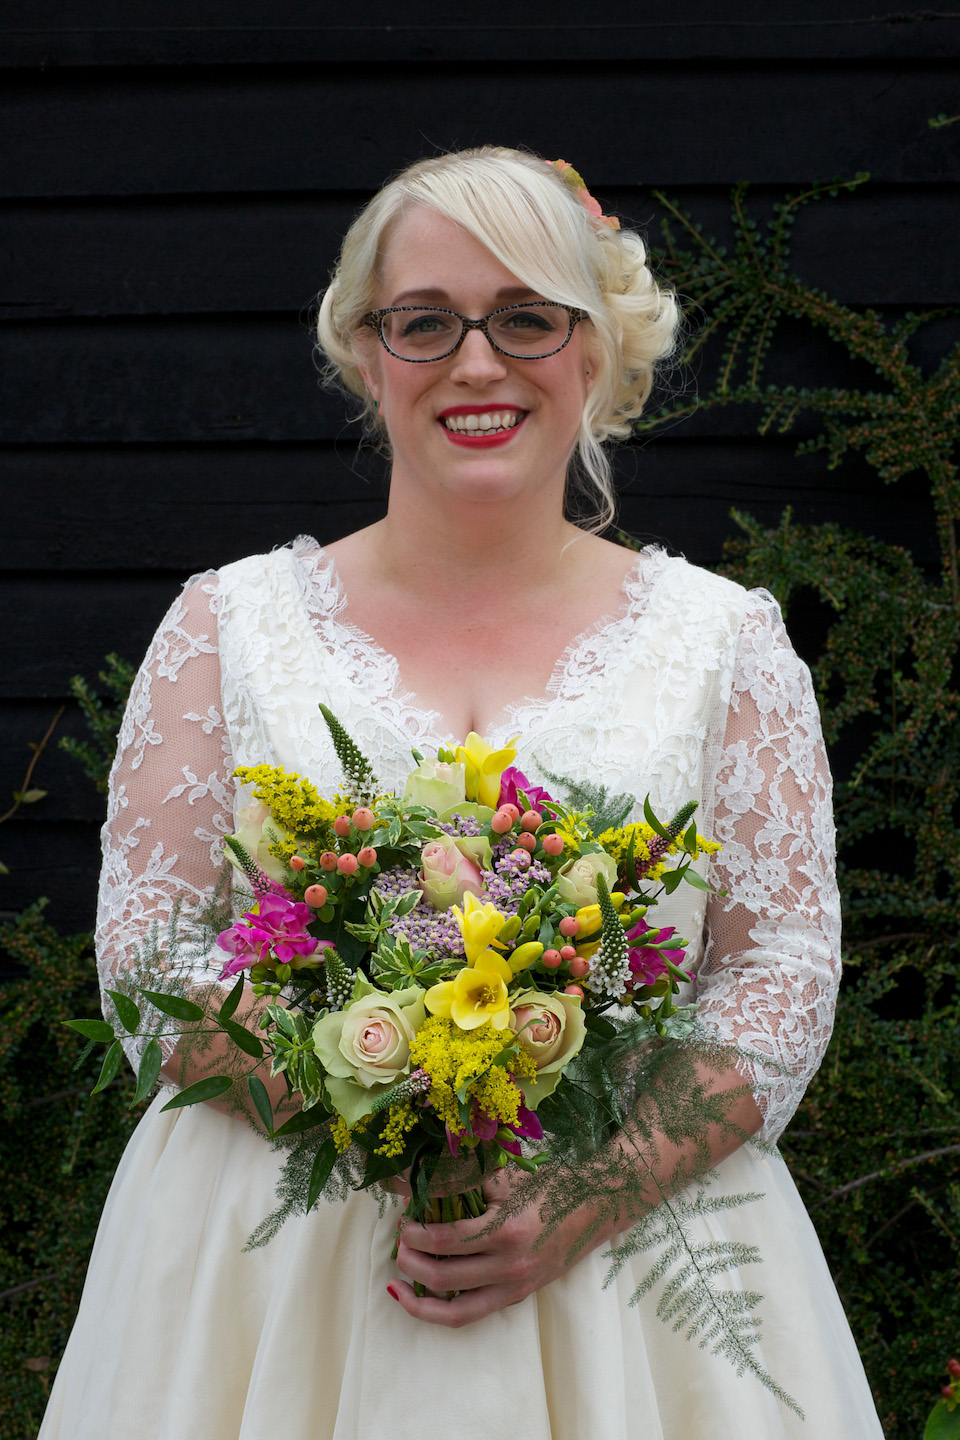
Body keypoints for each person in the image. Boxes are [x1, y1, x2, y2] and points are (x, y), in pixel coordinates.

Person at [39, 145, 884, 1439]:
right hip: (266, 1268)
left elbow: (777, 967)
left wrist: (592, 1186)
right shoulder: (229, 625)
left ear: (597, 348)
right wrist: (378, 1121)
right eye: (425, 322)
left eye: (528, 317)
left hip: (635, 1279)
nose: (477, 363)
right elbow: (147, 956)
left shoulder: (726, 645)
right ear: (367, 354)